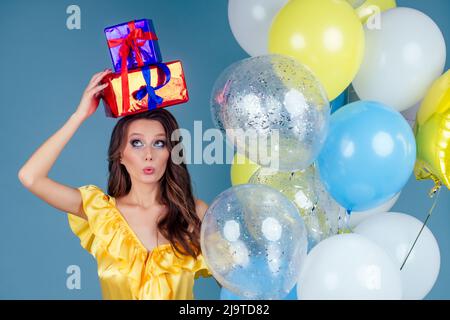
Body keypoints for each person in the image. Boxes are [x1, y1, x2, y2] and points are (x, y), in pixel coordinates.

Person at [18, 69, 213, 299]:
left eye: (159, 143)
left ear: (171, 153)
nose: (148, 155)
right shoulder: (102, 213)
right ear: (120, 154)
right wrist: (79, 115)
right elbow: (30, 177)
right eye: (137, 143)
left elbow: (238, 274)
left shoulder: (195, 213)